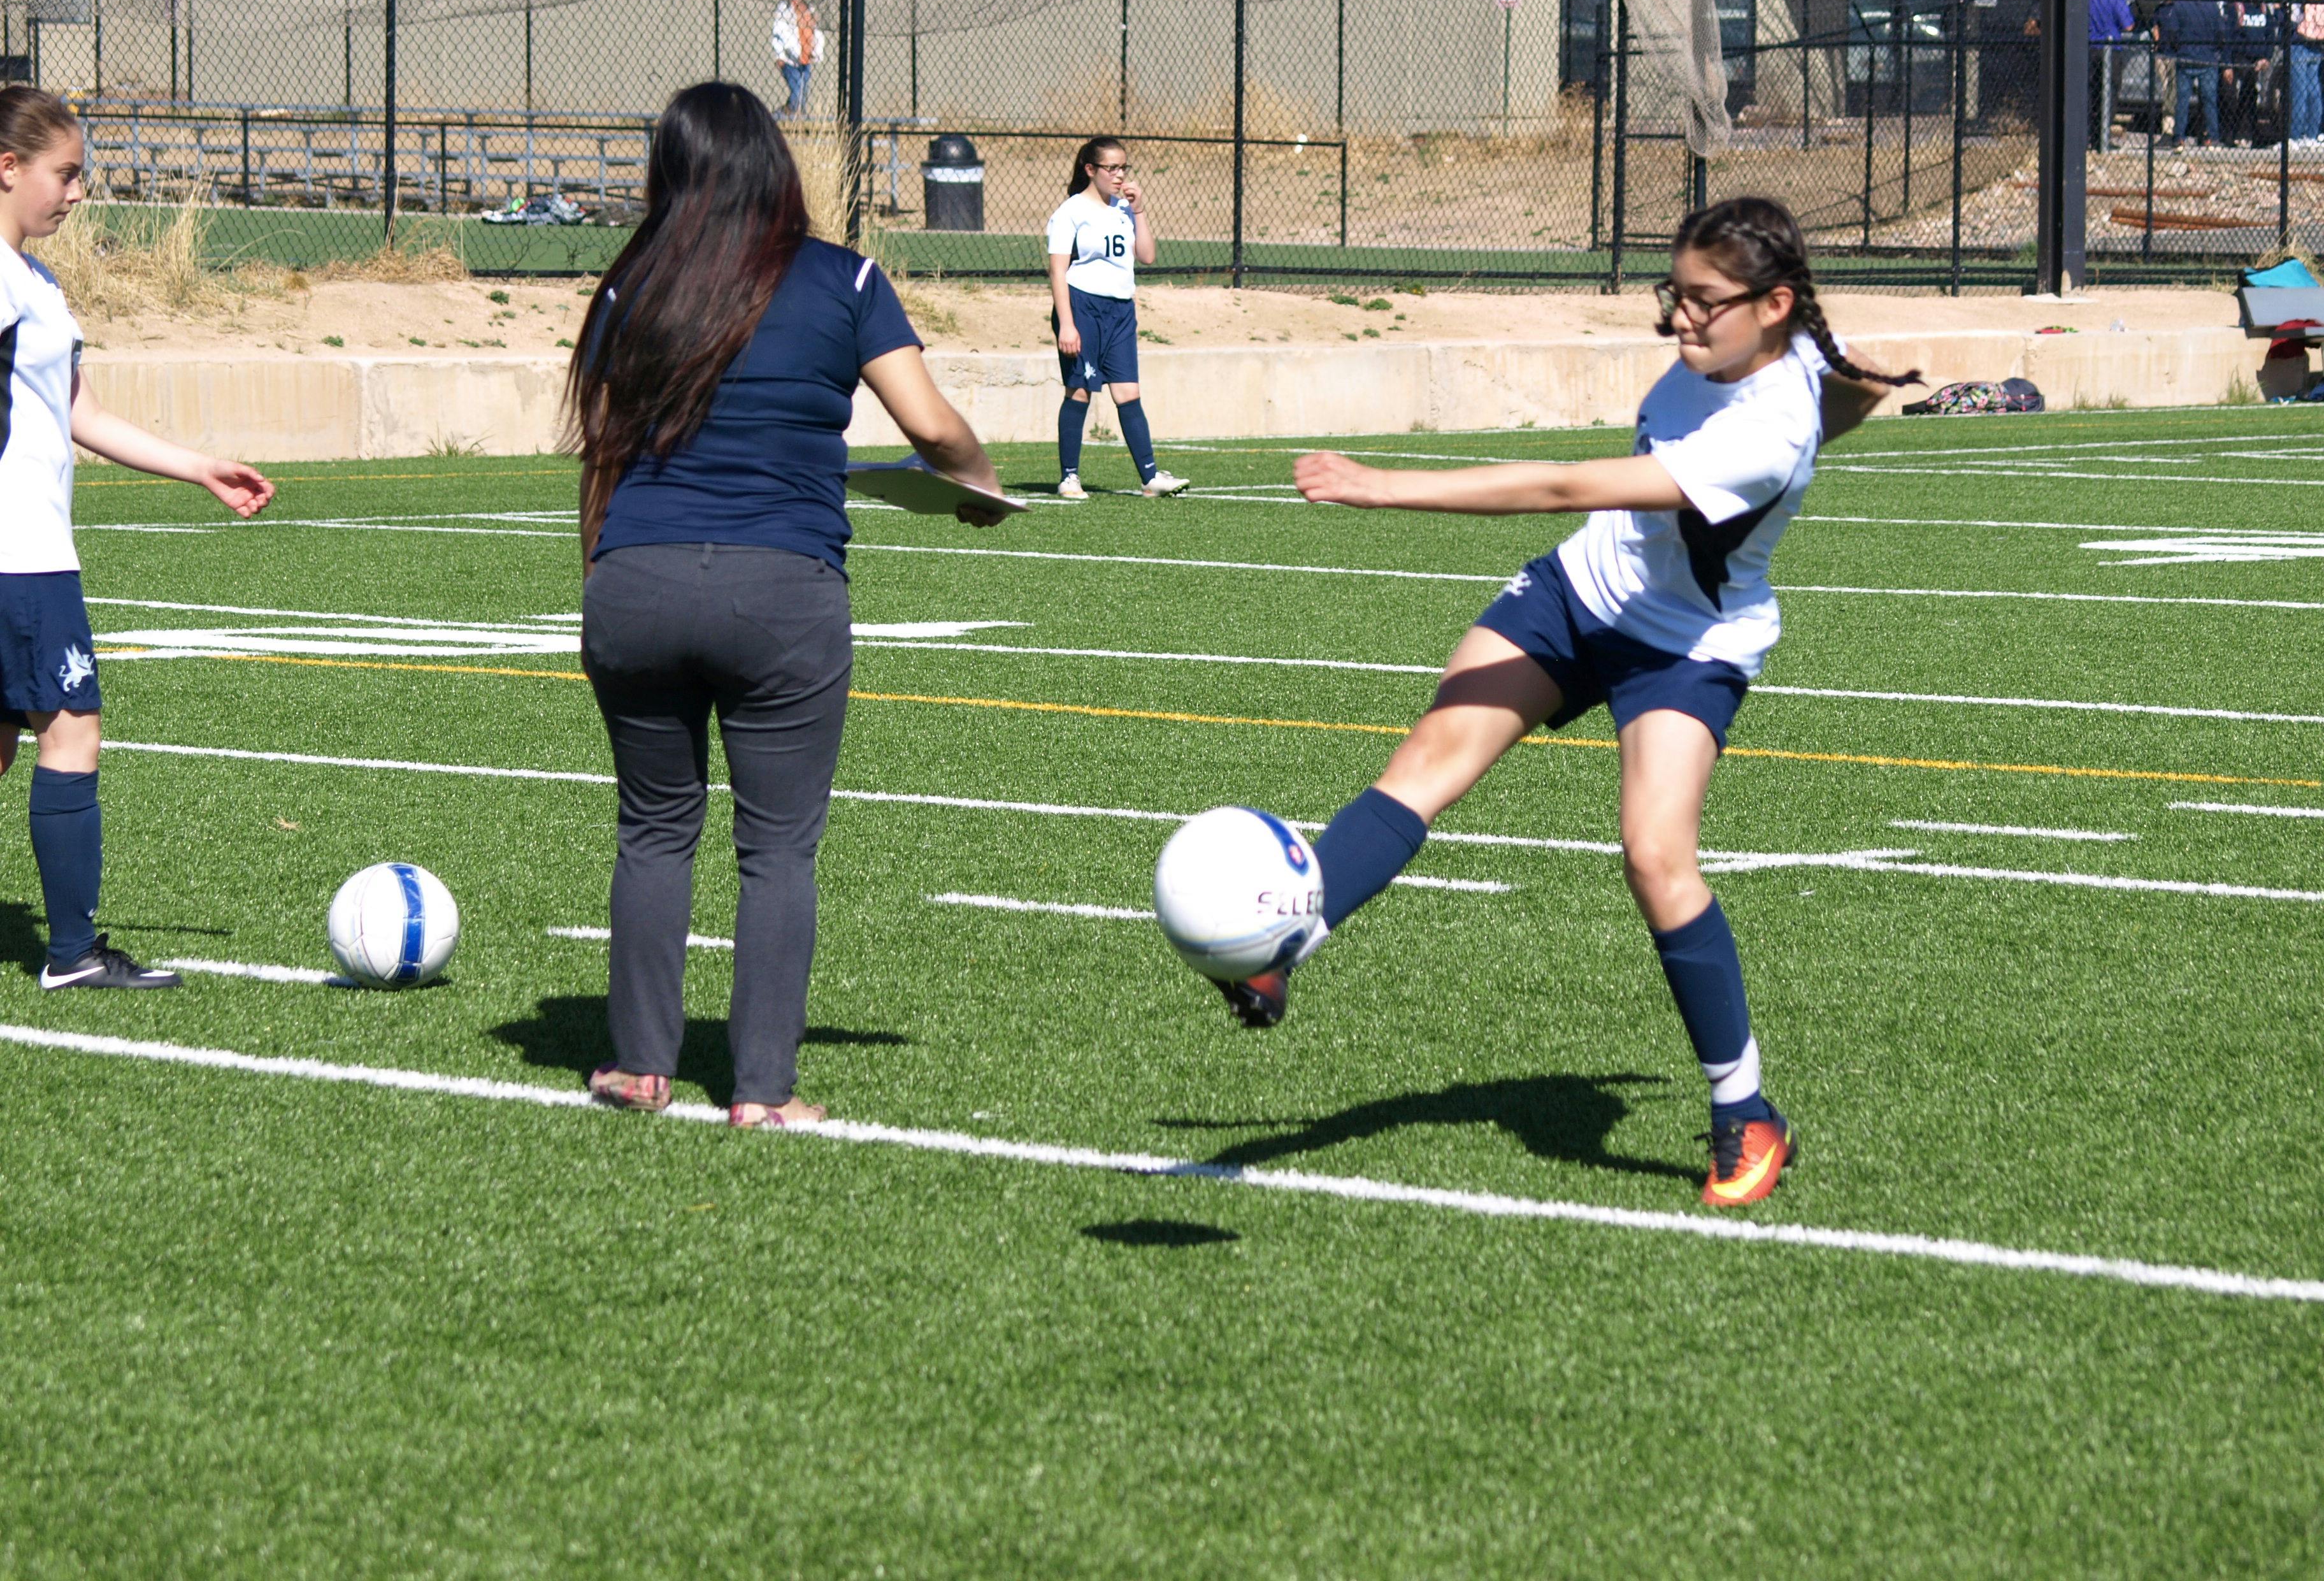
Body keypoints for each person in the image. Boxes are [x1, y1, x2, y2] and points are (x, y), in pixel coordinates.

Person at [1216, 196, 1917, 1208]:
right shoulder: (1778, 349)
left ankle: (1747, 1111)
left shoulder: (1767, 431)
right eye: (1673, 293)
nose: (1680, 318)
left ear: (1771, 306)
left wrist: (1382, 486)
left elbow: (1559, 486)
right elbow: (1855, 382)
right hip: (1576, 592)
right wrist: (1866, 391)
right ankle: (1282, 948)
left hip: (1686, 648)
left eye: (1704, 302)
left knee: (1656, 856)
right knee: (1425, 765)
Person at [567, 82, 1009, 1129]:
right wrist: (980, 484)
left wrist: (609, 579)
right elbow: (930, 425)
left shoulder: (629, 283)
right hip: (782, 589)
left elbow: (601, 453)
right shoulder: (843, 277)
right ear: (775, 165)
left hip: (635, 581)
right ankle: (761, 1089)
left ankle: (639, 1067)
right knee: (776, 849)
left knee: (653, 829)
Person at [0, 84, 275, 988]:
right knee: (72, 734)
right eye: (65, 174)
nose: (78, 193)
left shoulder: (37, 283)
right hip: (21, 558)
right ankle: (73, 955)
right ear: (8, 168)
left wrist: (199, 467)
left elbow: (80, 413)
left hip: (27, 553)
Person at [1044, 136, 1190, 500]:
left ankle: (1151, 478)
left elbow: (1148, 256)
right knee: (1079, 391)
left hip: (1121, 310)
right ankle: (1069, 478)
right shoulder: (1071, 211)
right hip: (1082, 306)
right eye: (1112, 168)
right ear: (1090, 170)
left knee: (1128, 393)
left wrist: (1139, 211)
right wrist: (1067, 324)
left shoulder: (1124, 209)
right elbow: (1058, 271)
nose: (1120, 175)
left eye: (1124, 167)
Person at [2161, 0, 2224, 147]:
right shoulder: (2213, 6)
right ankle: (2213, 136)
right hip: (2208, 58)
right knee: (2210, 100)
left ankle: (2179, 137)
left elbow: (2172, 32)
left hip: (2186, 57)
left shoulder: (2180, 5)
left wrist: (2179, 48)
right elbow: (2221, 33)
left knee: (2182, 101)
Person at [2223, 0, 2280, 147]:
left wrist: (2266, 57)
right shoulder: (2238, 8)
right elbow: (2229, 37)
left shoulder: (2263, 9)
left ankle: (2249, 134)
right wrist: (2228, 64)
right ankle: (2232, 134)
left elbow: (2270, 35)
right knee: (2234, 98)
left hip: (2257, 60)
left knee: (2250, 96)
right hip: (2240, 58)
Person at [2088, 0, 2134, 151]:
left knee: (2090, 91)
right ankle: (2102, 137)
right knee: (2110, 92)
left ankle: (2087, 135)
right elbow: (2128, 25)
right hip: (2112, 49)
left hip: (2090, 48)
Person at [770, 0, 824, 118]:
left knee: (802, 94)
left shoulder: (809, 10)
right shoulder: (784, 10)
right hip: (790, 59)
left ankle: (792, 117)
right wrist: (780, 56)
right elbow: (779, 33)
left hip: (806, 58)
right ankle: (780, 116)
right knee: (798, 93)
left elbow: (815, 32)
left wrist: (816, 51)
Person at [2290, 0, 2324, 143]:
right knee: (2303, 92)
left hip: (2313, 46)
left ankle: (2308, 135)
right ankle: (2299, 136)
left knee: (2312, 93)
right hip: (2304, 45)